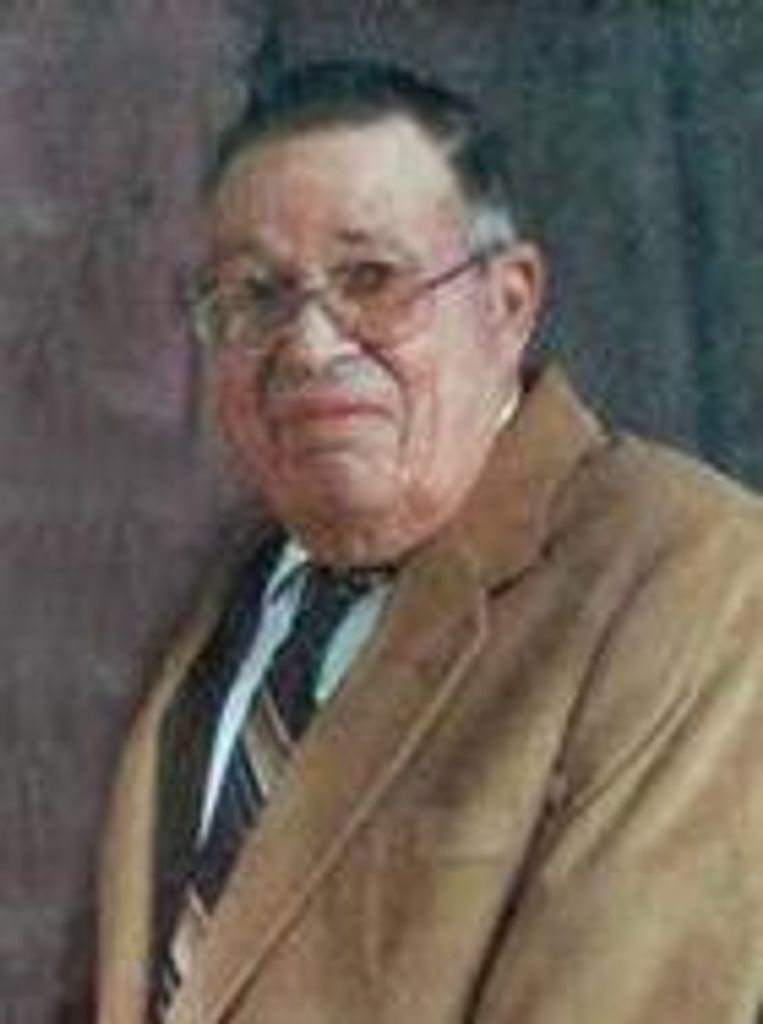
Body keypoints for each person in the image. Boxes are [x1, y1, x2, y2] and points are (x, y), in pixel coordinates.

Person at [96, 60, 763, 1024]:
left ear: (508, 301)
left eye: (371, 279)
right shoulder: (230, 600)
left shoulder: (697, 579)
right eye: (255, 295)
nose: (308, 347)